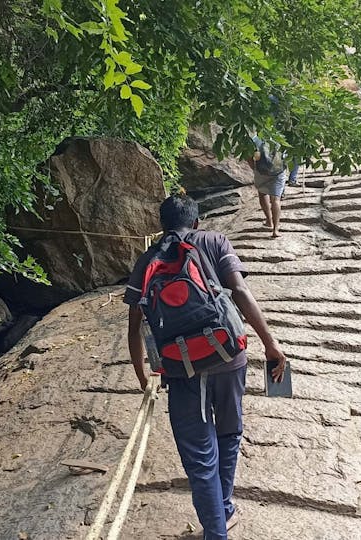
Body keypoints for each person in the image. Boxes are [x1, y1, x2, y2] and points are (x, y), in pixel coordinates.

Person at [125, 195, 288, 540]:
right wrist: (270, 343)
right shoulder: (215, 241)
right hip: (229, 357)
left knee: (200, 456)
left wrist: (143, 374)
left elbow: (135, 322)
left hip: (182, 368)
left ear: (162, 225)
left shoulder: (148, 259)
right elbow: (240, 291)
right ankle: (224, 509)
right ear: (197, 223)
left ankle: (217, 527)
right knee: (229, 432)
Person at [249, 135, 287, 237]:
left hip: (261, 171)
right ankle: (275, 230)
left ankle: (269, 221)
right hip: (278, 172)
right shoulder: (280, 137)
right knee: (276, 200)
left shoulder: (255, 139)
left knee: (262, 194)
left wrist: (255, 169)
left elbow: (248, 157)